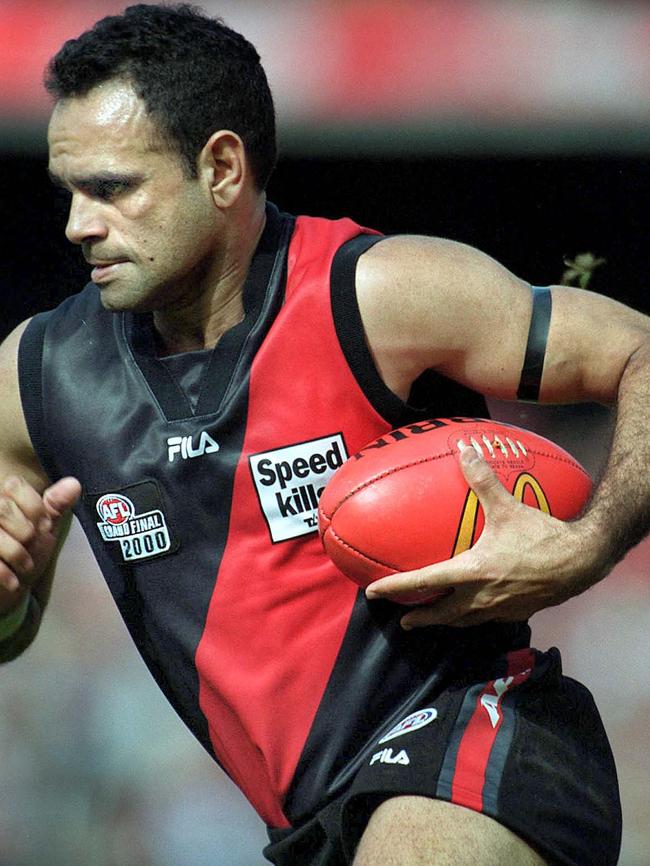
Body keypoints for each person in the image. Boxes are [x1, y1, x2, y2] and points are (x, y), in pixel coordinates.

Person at [0, 4, 647, 864]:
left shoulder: (377, 297)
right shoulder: (36, 378)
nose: (78, 224)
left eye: (113, 188)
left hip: (484, 744)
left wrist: (590, 547)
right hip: (307, 823)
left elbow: (640, 350)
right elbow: (11, 634)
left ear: (222, 168)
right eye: (69, 191)